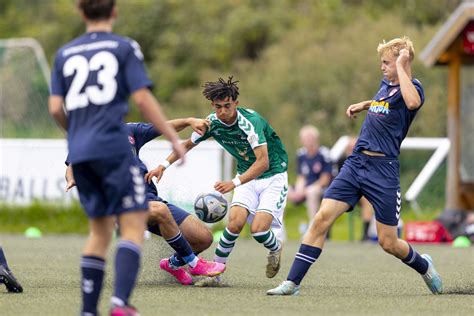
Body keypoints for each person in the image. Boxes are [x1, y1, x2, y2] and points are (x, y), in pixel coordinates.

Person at [267, 36, 443, 296]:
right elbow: (386, 102)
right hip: (355, 164)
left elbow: (412, 103)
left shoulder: (413, 87)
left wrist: (404, 65)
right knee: (320, 220)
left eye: (386, 62)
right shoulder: (386, 86)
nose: (382, 67)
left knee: (388, 242)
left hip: (383, 170)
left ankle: (424, 265)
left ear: (402, 62)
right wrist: (365, 104)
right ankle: (292, 283)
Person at [48, 1, 186, 315]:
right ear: (114, 12)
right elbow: (141, 97)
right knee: (133, 223)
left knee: (99, 231)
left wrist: (78, 134)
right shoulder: (124, 47)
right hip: (113, 148)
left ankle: (88, 310)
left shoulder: (64, 54)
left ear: (81, 13)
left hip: (82, 153)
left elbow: (56, 108)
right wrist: (173, 137)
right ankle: (120, 303)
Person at [146, 76, 289, 286]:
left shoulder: (251, 122)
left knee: (259, 230)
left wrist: (234, 183)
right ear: (213, 106)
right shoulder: (211, 123)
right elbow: (186, 145)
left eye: (228, 106)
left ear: (236, 104)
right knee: (234, 224)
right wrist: (163, 165)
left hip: (272, 176)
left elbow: (263, 163)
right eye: (218, 107)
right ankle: (215, 276)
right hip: (246, 177)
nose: (223, 111)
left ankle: (275, 247)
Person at [65, 118, 226, 286]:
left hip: (149, 198)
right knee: (160, 210)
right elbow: (72, 166)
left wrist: (188, 121)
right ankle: (194, 264)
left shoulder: (129, 131)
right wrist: (71, 179)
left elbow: (163, 126)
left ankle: (172, 264)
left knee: (203, 238)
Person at [287, 125, 332, 224]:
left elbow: (325, 179)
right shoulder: (300, 154)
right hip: (306, 187)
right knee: (284, 191)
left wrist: (306, 190)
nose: (309, 141)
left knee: (311, 192)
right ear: (301, 140)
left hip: (321, 187)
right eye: (306, 138)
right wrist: (299, 190)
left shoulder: (324, 153)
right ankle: (278, 230)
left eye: (311, 138)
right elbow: (301, 177)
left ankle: (313, 226)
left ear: (316, 139)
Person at [335, 136, 374, 241]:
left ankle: (365, 234)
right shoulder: (341, 160)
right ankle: (326, 234)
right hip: (345, 190)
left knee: (367, 201)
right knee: (330, 202)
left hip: (361, 191)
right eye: (350, 147)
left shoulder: (367, 160)